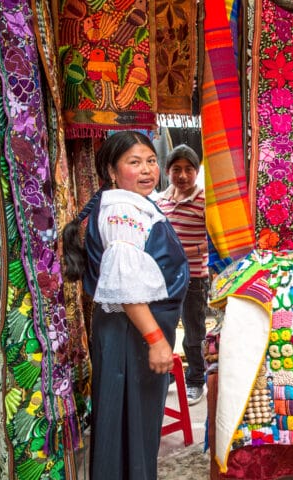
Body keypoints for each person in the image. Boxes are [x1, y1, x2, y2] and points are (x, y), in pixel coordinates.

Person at [62, 131, 189, 480]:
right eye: (134, 162)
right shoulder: (122, 210)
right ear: (112, 171)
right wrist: (157, 340)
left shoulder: (130, 202)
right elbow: (126, 286)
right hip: (130, 333)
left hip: (129, 331)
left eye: (150, 160)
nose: (147, 170)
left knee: (132, 422)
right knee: (129, 422)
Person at [155, 144, 209, 405]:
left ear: (197, 171)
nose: (183, 175)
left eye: (189, 169)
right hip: (165, 278)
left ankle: (196, 380)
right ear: (167, 171)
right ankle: (167, 377)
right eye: (177, 169)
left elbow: (215, 242)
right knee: (164, 327)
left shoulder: (204, 201)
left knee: (194, 331)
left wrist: (185, 251)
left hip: (194, 277)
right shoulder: (159, 200)